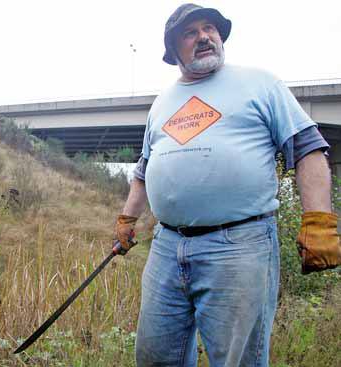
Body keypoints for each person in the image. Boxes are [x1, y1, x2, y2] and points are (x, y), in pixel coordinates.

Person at [114, 3, 340, 367]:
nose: (204, 36)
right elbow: (144, 170)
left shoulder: (260, 83)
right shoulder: (161, 104)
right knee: (155, 355)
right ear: (173, 51)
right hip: (167, 246)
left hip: (238, 245)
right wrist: (126, 221)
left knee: (236, 360)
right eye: (191, 32)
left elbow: (308, 148)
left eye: (210, 29)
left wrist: (319, 221)